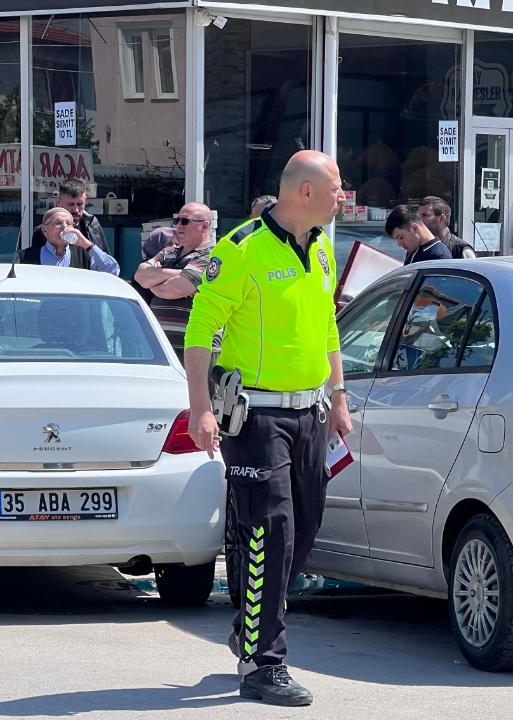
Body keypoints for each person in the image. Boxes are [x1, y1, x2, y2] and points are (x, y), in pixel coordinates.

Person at [184, 150, 353, 707]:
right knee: (269, 530)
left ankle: (250, 627)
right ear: (304, 191)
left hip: (308, 412)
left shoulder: (323, 246)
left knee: (302, 532)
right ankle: (262, 662)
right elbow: (200, 330)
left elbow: (327, 322)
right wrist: (200, 408)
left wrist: (339, 397)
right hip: (255, 416)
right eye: (336, 188)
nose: (343, 196)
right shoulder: (242, 250)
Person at [134, 202, 217, 359]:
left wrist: (155, 280)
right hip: (161, 347)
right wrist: (179, 272)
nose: (179, 226)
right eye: (177, 220)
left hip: (194, 347)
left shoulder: (212, 255)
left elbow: (175, 288)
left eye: (185, 221)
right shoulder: (168, 252)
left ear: (204, 226)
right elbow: (140, 276)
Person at [21, 180, 112, 267]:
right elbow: (37, 262)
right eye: (70, 204)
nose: (76, 210)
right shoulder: (46, 229)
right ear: (59, 202)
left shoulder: (91, 224)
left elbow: (107, 264)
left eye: (80, 204)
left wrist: (86, 245)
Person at [37, 208, 120, 276]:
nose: (64, 227)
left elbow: (112, 271)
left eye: (69, 223)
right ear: (44, 229)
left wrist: (86, 244)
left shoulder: (85, 254)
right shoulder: (27, 255)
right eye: (58, 223)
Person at [385, 204, 451, 265]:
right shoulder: (412, 250)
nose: (399, 245)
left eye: (400, 237)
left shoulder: (440, 256)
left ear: (415, 228)